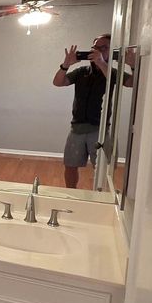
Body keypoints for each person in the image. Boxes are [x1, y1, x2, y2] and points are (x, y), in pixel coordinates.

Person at [52, 34, 135, 188]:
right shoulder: (81, 72)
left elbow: (132, 83)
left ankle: (99, 196)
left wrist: (105, 63)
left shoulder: (111, 72)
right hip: (76, 128)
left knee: (103, 168)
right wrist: (66, 65)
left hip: (100, 130)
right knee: (70, 165)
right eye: (96, 47)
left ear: (111, 52)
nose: (98, 50)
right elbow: (58, 82)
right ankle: (72, 194)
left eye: (103, 48)